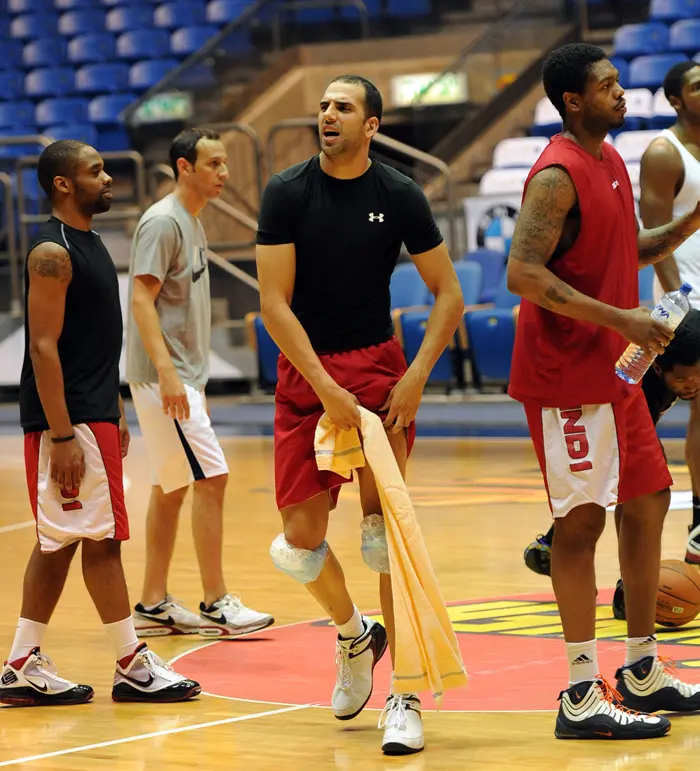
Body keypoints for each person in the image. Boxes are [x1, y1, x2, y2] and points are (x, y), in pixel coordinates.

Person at [255, 74, 464, 755]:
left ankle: (402, 695)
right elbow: (274, 306)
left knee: (385, 541)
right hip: (306, 374)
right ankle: (353, 635)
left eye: (343, 106)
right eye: (322, 106)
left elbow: (448, 295)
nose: (327, 115)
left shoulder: (398, 192)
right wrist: (324, 388)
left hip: (378, 372)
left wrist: (415, 377)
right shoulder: (286, 192)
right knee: (299, 538)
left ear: (372, 124)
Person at [507, 43, 700, 741]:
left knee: (648, 500)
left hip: (616, 370)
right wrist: (623, 317)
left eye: (619, 81)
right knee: (581, 523)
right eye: (607, 85)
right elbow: (522, 275)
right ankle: (582, 691)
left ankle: (643, 667)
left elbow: (626, 249)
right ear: (572, 101)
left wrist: (686, 224)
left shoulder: (612, 159)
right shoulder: (555, 175)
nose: (622, 93)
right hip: (566, 378)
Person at [0, 140, 200, 706]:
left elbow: (90, 342)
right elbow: (43, 347)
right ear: (63, 184)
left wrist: (112, 405)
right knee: (101, 542)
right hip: (71, 424)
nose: (108, 178)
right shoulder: (52, 251)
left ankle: (21, 661)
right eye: (95, 172)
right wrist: (63, 435)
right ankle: (131, 663)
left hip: (91, 414)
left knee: (62, 541)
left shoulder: (86, 242)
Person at [126, 128, 273, 638]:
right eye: (214, 164)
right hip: (164, 377)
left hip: (180, 376)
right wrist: (167, 372)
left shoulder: (191, 222)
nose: (224, 174)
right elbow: (141, 299)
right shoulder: (163, 222)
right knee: (213, 478)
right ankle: (216, 601)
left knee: (170, 489)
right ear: (184, 167)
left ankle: (151, 603)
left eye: (225, 163)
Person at [523, 310, 700, 621]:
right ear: (658, 368)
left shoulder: (679, 364)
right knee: (636, 492)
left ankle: (554, 542)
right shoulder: (639, 377)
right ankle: (623, 584)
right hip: (592, 411)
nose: (691, 385)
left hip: (623, 414)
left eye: (697, 376)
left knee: (636, 489)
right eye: (682, 379)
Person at [641, 60, 700, 564]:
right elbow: (653, 239)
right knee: (637, 416)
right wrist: (675, 310)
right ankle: (561, 527)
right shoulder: (664, 152)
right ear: (677, 100)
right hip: (687, 303)